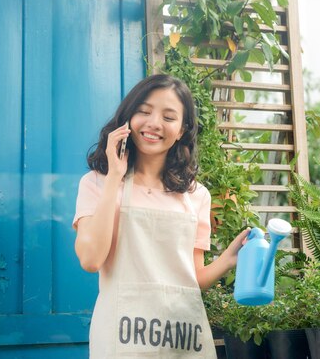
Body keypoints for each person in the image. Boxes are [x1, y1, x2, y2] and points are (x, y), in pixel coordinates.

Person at [73, 74, 249, 358]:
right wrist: (115, 177)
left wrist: (229, 259)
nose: (154, 123)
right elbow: (91, 259)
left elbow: (192, 278)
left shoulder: (196, 195)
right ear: (128, 118)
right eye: (144, 111)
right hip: (121, 340)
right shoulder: (96, 183)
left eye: (169, 117)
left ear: (181, 130)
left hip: (183, 338)